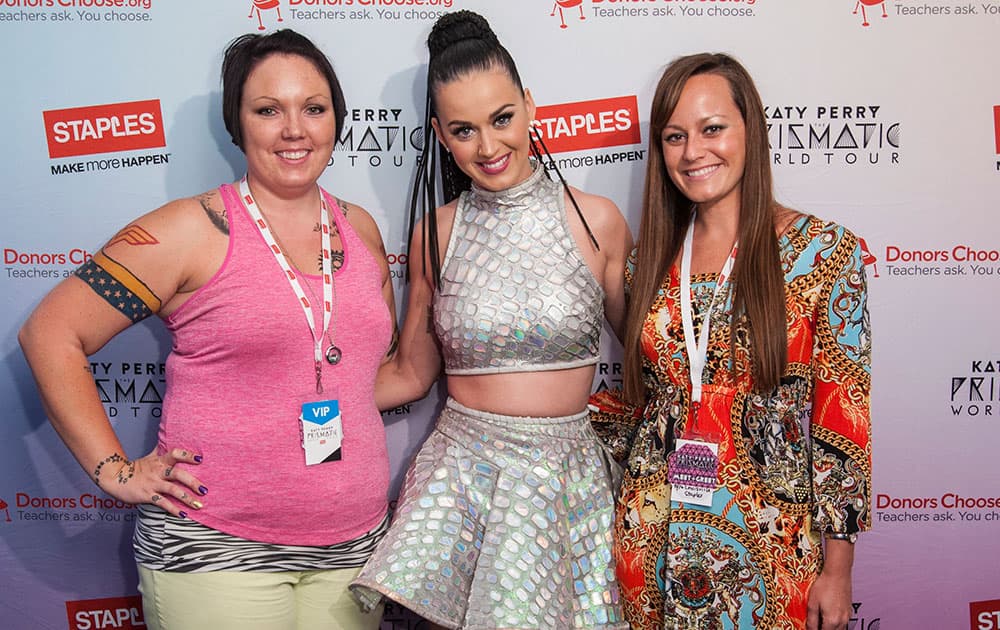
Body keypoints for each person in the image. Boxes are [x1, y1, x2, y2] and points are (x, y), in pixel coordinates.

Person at [19, 29, 394, 630]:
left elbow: (364, 375)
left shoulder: (361, 231)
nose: (294, 129)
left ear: (336, 119)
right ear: (238, 124)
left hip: (352, 550)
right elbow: (51, 333)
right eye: (268, 110)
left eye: (314, 108)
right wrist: (115, 471)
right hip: (215, 548)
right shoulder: (189, 231)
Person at [349, 10, 633, 629]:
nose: (488, 146)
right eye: (464, 129)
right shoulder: (438, 232)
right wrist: (293, 396)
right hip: (462, 485)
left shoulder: (597, 222)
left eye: (502, 118)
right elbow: (410, 373)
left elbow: (651, 351)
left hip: (566, 487)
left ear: (530, 105)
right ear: (441, 135)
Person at [589, 53, 872, 630]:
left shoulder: (824, 253)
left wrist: (837, 571)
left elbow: (842, 425)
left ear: (751, 131)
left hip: (771, 552)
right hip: (653, 538)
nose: (693, 152)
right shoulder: (650, 262)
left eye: (712, 128)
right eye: (675, 136)